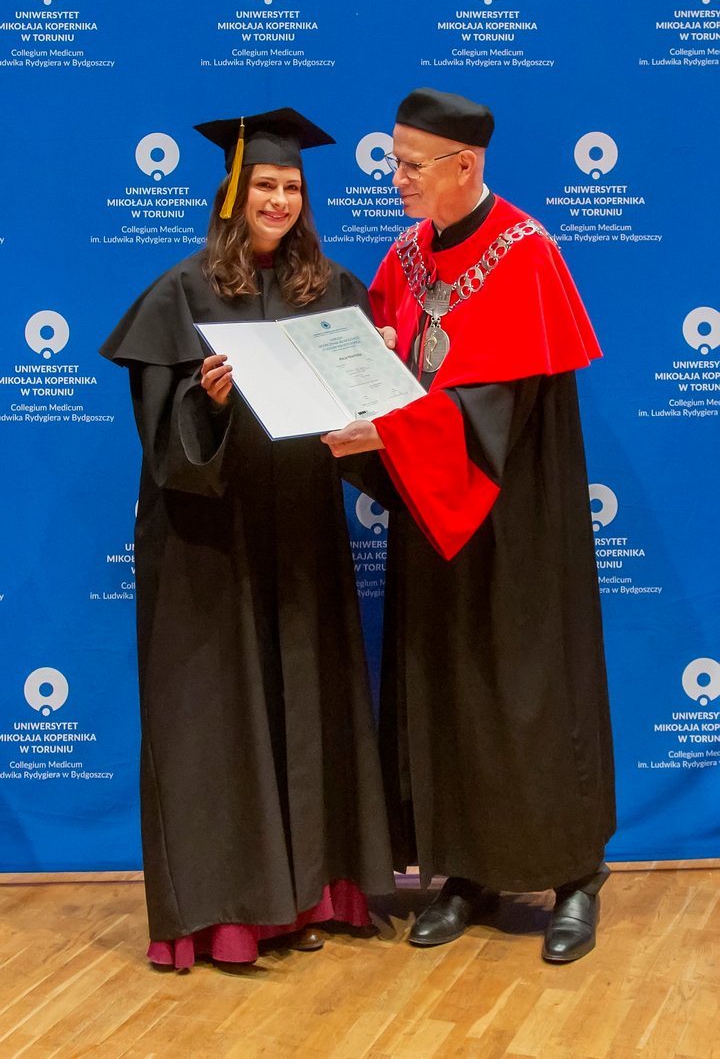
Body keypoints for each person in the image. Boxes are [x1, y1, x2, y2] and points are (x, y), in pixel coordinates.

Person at [322, 87, 616, 963]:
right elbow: (385, 369)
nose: (397, 179)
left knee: (531, 690)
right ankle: (464, 872)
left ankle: (574, 877)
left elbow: (496, 410)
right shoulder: (406, 256)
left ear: (466, 165)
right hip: (433, 514)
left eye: (412, 165)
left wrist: (393, 429)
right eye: (394, 161)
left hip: (517, 525)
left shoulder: (526, 253)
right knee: (443, 688)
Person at [100, 107, 395, 970]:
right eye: (264, 184)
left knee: (309, 699)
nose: (279, 200)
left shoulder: (330, 291)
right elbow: (164, 444)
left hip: (301, 529)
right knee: (218, 715)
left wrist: (374, 383)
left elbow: (368, 425)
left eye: (292, 187)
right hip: (208, 540)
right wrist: (209, 400)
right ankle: (228, 916)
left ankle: (315, 894)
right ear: (233, 192)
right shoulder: (181, 293)